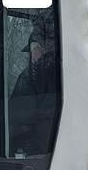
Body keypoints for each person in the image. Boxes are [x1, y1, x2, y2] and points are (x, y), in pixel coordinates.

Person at [8, 18, 58, 155]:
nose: (36, 54)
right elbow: (14, 111)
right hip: (25, 138)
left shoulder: (59, 75)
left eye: (39, 48)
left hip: (50, 140)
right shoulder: (25, 77)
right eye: (33, 49)